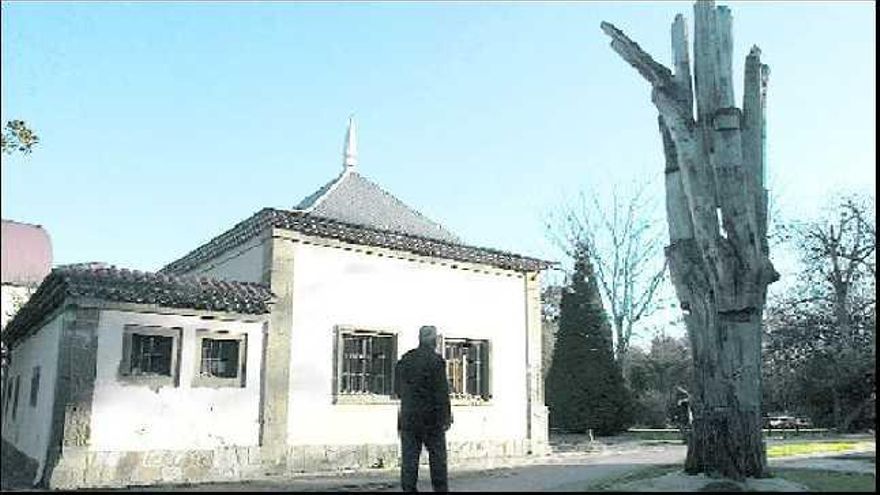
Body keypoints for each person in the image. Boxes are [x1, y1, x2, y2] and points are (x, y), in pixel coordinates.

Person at [394, 325, 453, 492]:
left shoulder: (406, 360)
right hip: (432, 420)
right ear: (433, 340)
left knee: (409, 461)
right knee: (438, 461)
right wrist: (446, 417)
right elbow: (442, 392)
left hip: (409, 418)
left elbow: (397, 389)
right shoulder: (436, 361)